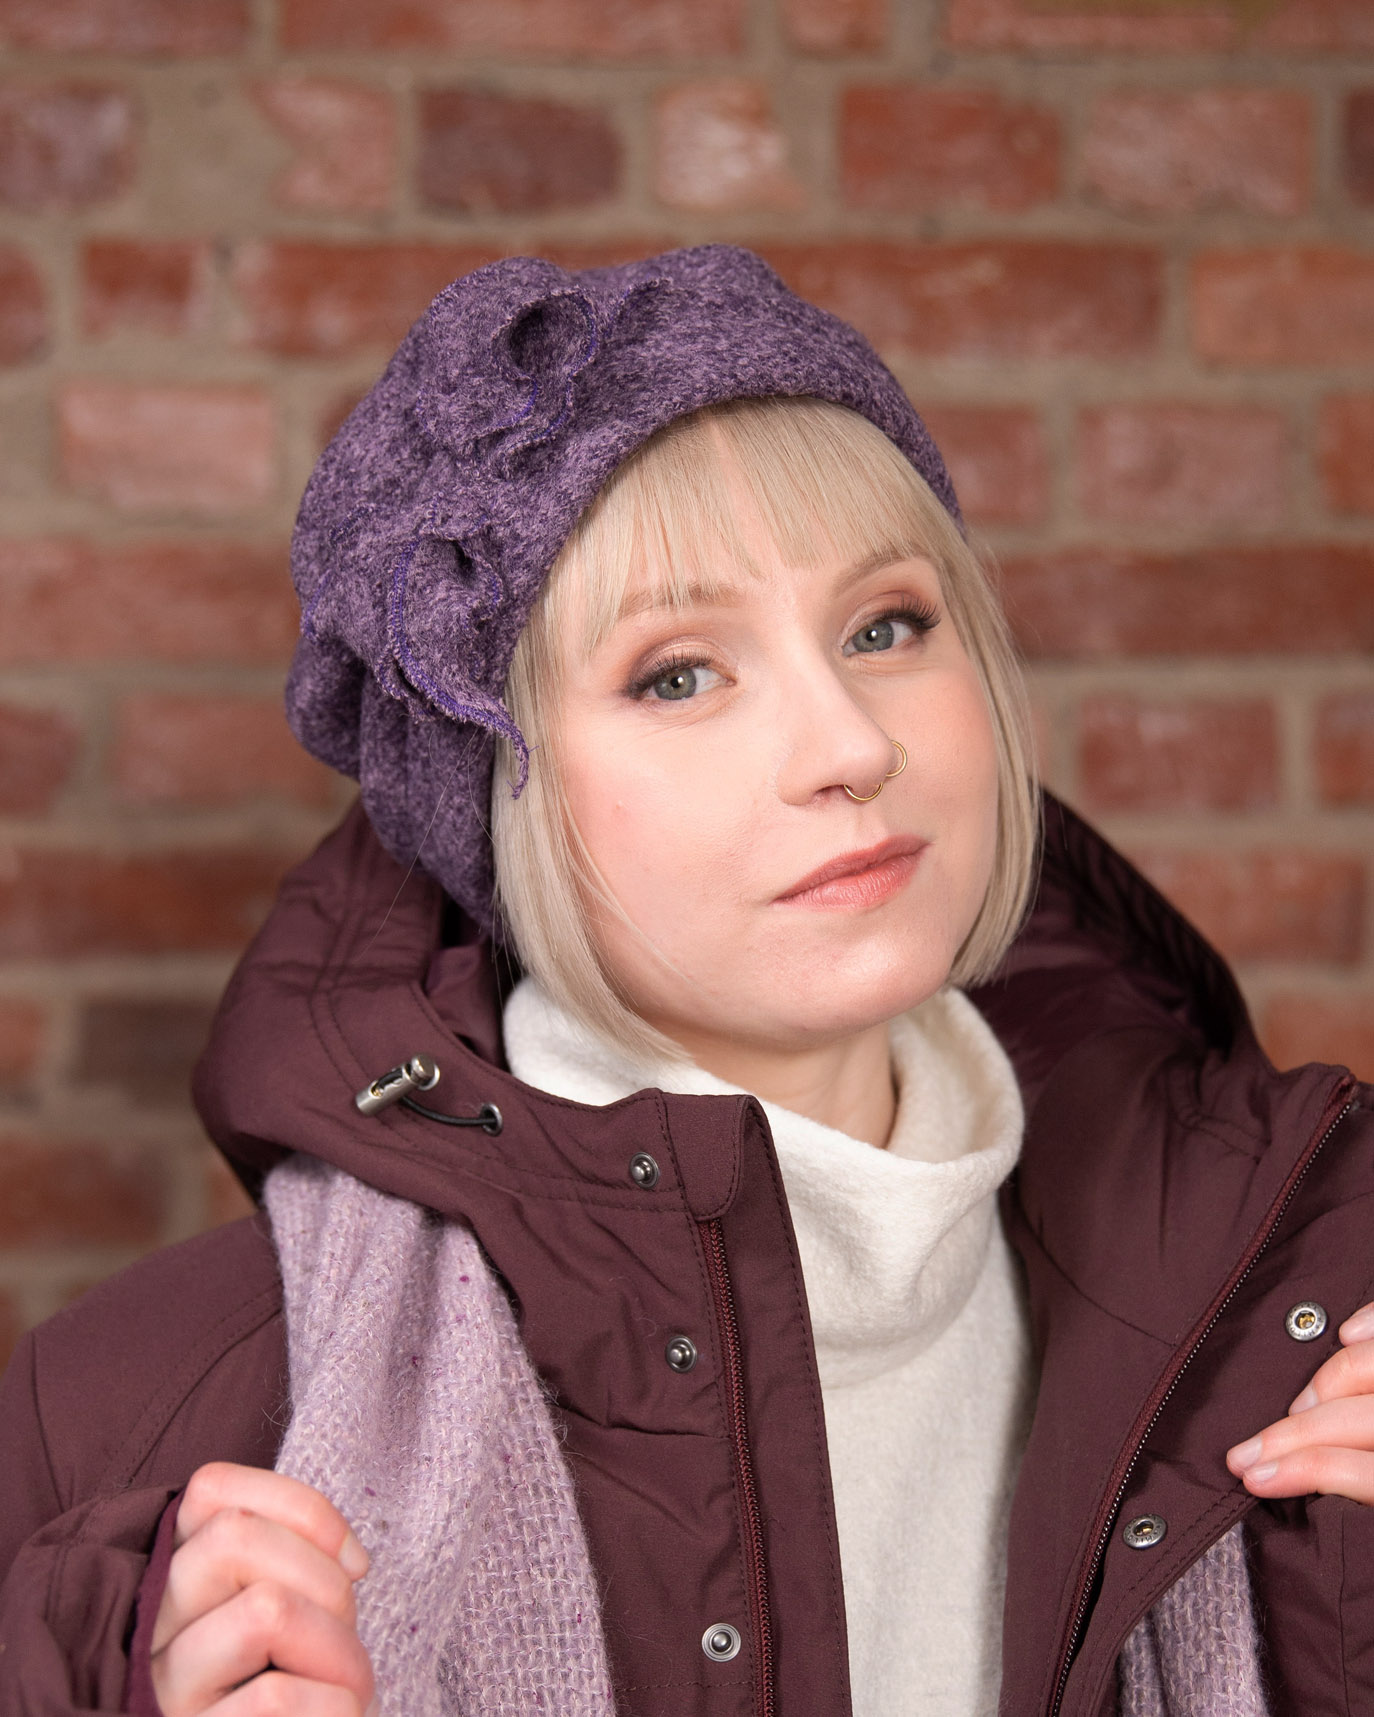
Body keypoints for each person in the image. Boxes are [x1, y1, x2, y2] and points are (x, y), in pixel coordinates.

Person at [0, 245, 1371, 1717]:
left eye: (886, 626)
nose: (850, 746)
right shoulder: (139, 1414)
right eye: (677, 674)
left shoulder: (1301, 1302)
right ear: (500, 796)